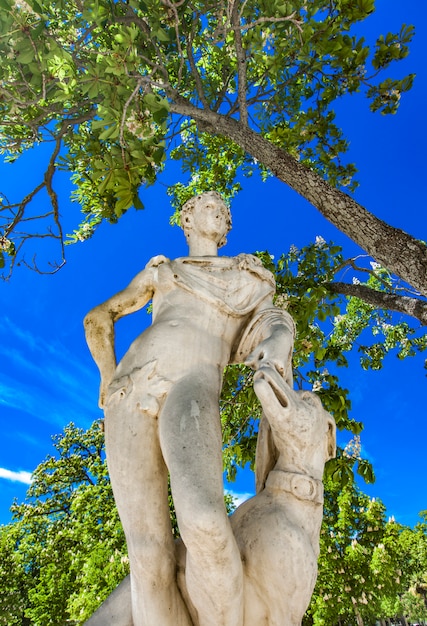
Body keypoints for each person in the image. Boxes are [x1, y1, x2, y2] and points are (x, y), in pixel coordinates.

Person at [84, 191, 295, 626]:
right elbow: (97, 318)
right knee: (147, 555)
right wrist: (107, 378)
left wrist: (275, 347)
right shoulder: (163, 272)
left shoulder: (247, 276)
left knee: (203, 520)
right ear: (187, 219)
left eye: (225, 210)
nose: (219, 212)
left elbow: (274, 322)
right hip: (127, 391)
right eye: (208, 206)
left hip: (193, 379)